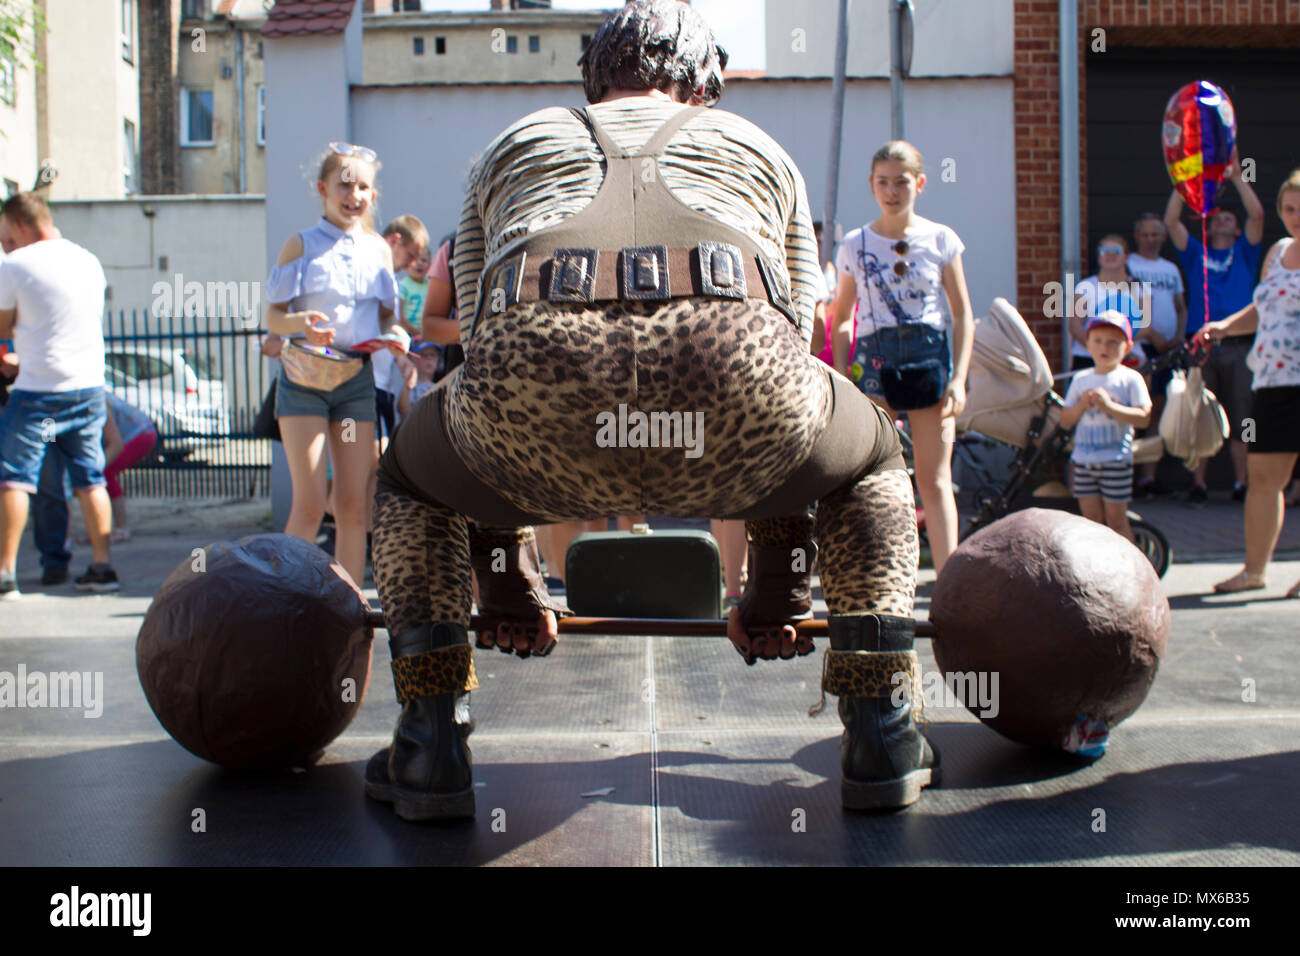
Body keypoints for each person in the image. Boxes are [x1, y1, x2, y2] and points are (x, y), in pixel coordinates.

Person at [364, 0, 933, 821]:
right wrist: (777, 593)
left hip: (536, 408)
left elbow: (483, 347)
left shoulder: (513, 142)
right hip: (732, 397)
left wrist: (509, 585)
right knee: (870, 457)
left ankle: (429, 743)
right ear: (705, 83)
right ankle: (881, 727)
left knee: (413, 479)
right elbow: (795, 346)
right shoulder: (758, 146)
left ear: (594, 79)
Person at [829, 140, 974, 576]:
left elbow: (963, 312)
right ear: (872, 186)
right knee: (871, 474)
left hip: (929, 356)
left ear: (921, 184)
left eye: (902, 182)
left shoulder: (941, 239)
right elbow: (841, 319)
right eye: (883, 182)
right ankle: (873, 573)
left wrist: (959, 379)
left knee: (934, 479)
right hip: (874, 360)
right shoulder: (854, 244)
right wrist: (841, 379)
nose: (892, 191)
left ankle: (948, 582)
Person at [263, 144, 405, 587]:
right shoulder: (300, 244)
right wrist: (301, 323)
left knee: (352, 504)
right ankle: (283, 595)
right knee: (308, 505)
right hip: (304, 382)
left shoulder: (379, 250)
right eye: (345, 184)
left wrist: (396, 336)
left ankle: (347, 600)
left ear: (373, 196)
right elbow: (273, 317)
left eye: (363, 186)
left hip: (354, 384)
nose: (354, 194)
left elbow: (386, 318)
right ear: (323, 189)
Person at [0, 192, 119, 598]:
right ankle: (103, 569)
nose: (5, 245)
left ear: (18, 224)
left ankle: (6, 575)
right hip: (86, 388)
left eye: (5, 236)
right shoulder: (88, 260)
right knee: (91, 479)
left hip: (37, 390)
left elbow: (3, 326)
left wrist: (16, 352)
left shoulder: (15, 265)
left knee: (15, 480)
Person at [1200, 169, 1300, 597]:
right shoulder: (1277, 252)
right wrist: (1223, 325)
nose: (1296, 216)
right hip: (1272, 382)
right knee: (1262, 480)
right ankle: (1254, 571)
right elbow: (1262, 308)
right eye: (1290, 208)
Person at [1165, 159, 1265, 505]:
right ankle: (1199, 484)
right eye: (1217, 216)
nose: (1222, 219)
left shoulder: (1246, 252)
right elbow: (1171, 222)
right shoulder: (1196, 253)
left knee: (1243, 417)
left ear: (1236, 230)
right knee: (1198, 414)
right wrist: (1186, 178)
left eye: (1228, 218)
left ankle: (1242, 484)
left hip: (1240, 345)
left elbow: (1258, 217)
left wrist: (1237, 175)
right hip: (1201, 345)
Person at [1059, 311, 1152, 542]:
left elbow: (1144, 418)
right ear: (1087, 344)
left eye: (1113, 342)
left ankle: (1128, 571)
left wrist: (1109, 407)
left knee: (1116, 520)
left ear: (1128, 346)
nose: (1105, 347)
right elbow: (1065, 419)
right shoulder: (1081, 379)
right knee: (1090, 521)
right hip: (1084, 460)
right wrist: (1082, 403)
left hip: (1115, 460)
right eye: (1098, 340)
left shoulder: (1130, 379)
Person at [1127, 212, 1187, 498]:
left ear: (1164, 237)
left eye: (1156, 234)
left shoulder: (1171, 269)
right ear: (1137, 236)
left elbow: (1180, 306)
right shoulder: (1128, 265)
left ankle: (1148, 479)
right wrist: (1150, 334)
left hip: (1168, 350)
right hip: (1139, 348)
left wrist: (1179, 337)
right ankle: (1124, 478)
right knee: (1134, 408)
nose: (1150, 239)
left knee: (1159, 410)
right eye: (1145, 234)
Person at [1068, 233, 1147, 372]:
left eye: (1116, 251)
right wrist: (1098, 350)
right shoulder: (1084, 287)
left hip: (1128, 359)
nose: (1110, 255)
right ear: (1099, 257)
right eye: (1104, 251)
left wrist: (1120, 350)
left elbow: (1146, 326)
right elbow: (1075, 326)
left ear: (1126, 256)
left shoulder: (1140, 288)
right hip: (1088, 359)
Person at [100, 392, 158, 542]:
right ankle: (101, 531)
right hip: (141, 431)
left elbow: (115, 442)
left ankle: (120, 529)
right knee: (99, 475)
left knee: (104, 473)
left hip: (140, 434)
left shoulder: (93, 398)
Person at [396, 245, 432, 339]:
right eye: (415, 260)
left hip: (427, 335)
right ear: (407, 264)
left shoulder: (430, 286)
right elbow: (398, 315)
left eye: (424, 260)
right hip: (407, 334)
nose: (419, 263)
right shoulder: (403, 285)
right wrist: (416, 331)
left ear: (430, 265)